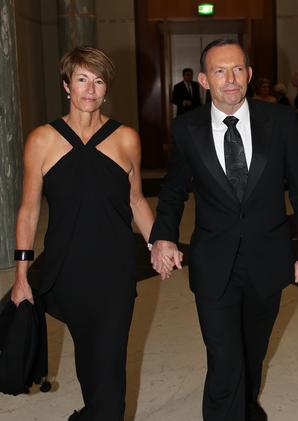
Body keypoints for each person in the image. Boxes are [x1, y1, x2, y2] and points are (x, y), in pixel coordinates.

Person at [150, 38, 298, 421]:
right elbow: (174, 189)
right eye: (220, 71)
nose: (230, 79)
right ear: (204, 80)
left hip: (268, 259)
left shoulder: (280, 121)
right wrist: (163, 235)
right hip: (213, 262)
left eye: (238, 69)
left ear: (250, 75)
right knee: (224, 358)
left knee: (252, 353)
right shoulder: (187, 128)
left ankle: (245, 409)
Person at [11, 46, 156, 421]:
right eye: (81, 79)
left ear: (106, 89)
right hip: (68, 269)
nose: (90, 89)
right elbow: (28, 211)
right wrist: (22, 275)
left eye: (98, 80)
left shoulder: (126, 138)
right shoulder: (41, 140)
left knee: (110, 357)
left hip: (115, 268)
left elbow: (137, 201)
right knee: (92, 355)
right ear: (66, 85)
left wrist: (158, 243)